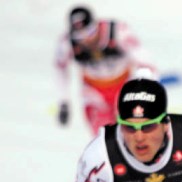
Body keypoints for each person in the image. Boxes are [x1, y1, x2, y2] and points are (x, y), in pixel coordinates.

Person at [54, 6, 156, 135]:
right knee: (103, 135)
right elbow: (60, 69)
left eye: (90, 32)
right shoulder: (67, 43)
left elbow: (145, 62)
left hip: (123, 86)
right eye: (79, 37)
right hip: (94, 91)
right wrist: (63, 101)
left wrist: (145, 91)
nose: (86, 40)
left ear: (96, 25)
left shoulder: (117, 31)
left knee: (133, 131)